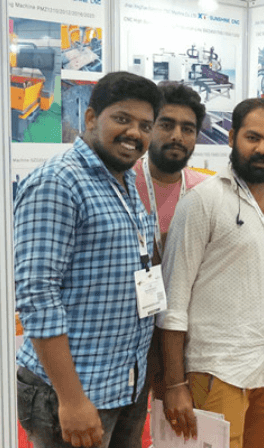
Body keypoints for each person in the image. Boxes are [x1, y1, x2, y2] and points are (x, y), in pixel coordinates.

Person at [14, 71, 162, 448]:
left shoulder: (122, 180)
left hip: (122, 384)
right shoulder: (58, 182)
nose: (134, 133)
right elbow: (37, 297)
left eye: (145, 126)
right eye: (122, 119)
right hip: (74, 391)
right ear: (92, 118)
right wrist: (72, 399)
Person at [157, 97, 264, 447]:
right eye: (252, 138)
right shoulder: (202, 201)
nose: (262, 149)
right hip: (218, 372)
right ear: (232, 137)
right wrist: (174, 383)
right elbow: (173, 301)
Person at [134, 81, 208, 264]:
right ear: (148, 127)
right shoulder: (122, 182)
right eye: (167, 125)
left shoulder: (206, 190)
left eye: (187, 129)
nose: (177, 136)